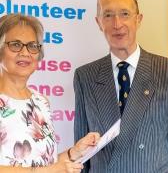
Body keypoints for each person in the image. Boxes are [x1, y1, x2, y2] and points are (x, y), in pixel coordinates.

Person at [73, 0, 168, 172]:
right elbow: (82, 153)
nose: (117, 24)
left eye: (124, 14)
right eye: (108, 15)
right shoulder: (85, 76)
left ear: (138, 19)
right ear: (98, 22)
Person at [0, 13, 100, 173]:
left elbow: (47, 165)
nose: (25, 53)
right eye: (16, 44)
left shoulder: (41, 102)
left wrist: (74, 153)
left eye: (32, 46)